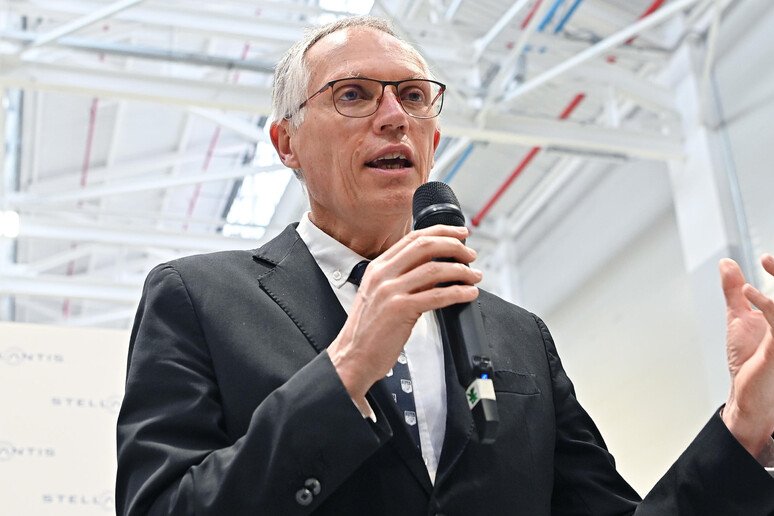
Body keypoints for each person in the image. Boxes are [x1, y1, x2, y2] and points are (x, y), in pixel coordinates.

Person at [116, 16, 774, 515]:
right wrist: (347, 368)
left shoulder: (518, 334)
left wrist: (744, 426)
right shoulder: (197, 298)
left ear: (433, 135)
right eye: (354, 95)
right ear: (287, 142)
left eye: (413, 96)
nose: (394, 117)